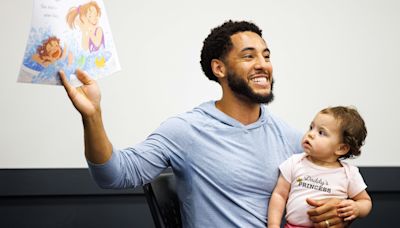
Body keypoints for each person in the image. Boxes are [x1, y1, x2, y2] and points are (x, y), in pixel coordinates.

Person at [59, 20, 348, 227]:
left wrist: (334, 211)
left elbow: (323, 197)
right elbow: (113, 175)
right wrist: (92, 115)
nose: (263, 64)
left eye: (266, 55)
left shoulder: (293, 139)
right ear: (219, 68)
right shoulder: (185, 131)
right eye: (249, 56)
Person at [268, 106, 372, 228]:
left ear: (341, 148)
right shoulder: (294, 162)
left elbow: (366, 201)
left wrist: (357, 208)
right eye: (311, 128)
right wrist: (273, 225)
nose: (311, 134)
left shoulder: (349, 173)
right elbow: (279, 195)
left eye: (321, 132)